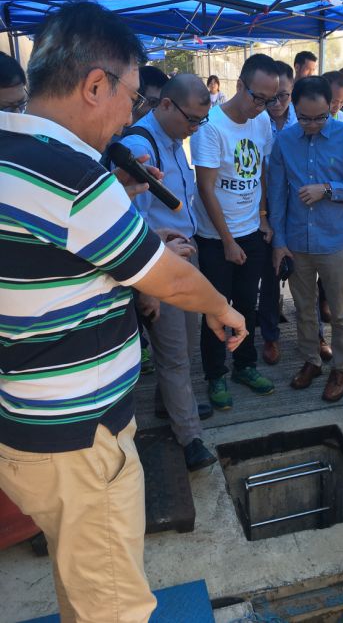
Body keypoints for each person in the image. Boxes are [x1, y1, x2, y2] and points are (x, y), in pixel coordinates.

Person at [0, 0, 246, 623]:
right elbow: (170, 281)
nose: (129, 115)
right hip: (79, 437)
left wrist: (132, 243)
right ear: (94, 85)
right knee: (112, 604)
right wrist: (221, 305)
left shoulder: (10, 151)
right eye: (132, 97)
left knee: (80, 579)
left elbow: (45, 258)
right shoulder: (75, 176)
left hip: (25, 420)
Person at [121, 74, 218, 471]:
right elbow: (132, 226)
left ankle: (170, 402)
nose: (195, 128)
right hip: (158, 264)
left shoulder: (175, 139)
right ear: (165, 105)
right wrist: (146, 289)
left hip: (183, 254)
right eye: (191, 120)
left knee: (185, 345)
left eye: (201, 122)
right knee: (175, 354)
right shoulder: (139, 149)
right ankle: (190, 437)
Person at [269, 76, 343, 402]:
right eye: (304, 117)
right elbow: (276, 195)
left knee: (341, 311)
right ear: (293, 109)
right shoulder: (284, 141)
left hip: (334, 241)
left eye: (319, 117)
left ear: (331, 106)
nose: (312, 124)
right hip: (297, 241)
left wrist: (328, 189)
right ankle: (311, 360)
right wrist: (279, 242)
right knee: (303, 308)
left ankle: (340, 368)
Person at [191, 53, 280, 409]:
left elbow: (260, 170)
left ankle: (245, 364)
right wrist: (226, 240)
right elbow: (206, 188)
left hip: (251, 231)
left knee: (247, 304)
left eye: (270, 99)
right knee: (215, 306)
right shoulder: (210, 126)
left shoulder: (261, 123)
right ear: (239, 85)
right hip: (215, 237)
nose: (262, 106)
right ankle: (216, 376)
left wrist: (262, 216)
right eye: (257, 97)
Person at [257, 60, 298, 367]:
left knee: (306, 272)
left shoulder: (306, 119)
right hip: (266, 208)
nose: (276, 103)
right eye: (271, 98)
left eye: (283, 96)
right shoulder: (255, 121)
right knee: (270, 275)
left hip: (300, 208)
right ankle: (270, 336)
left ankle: (315, 334)